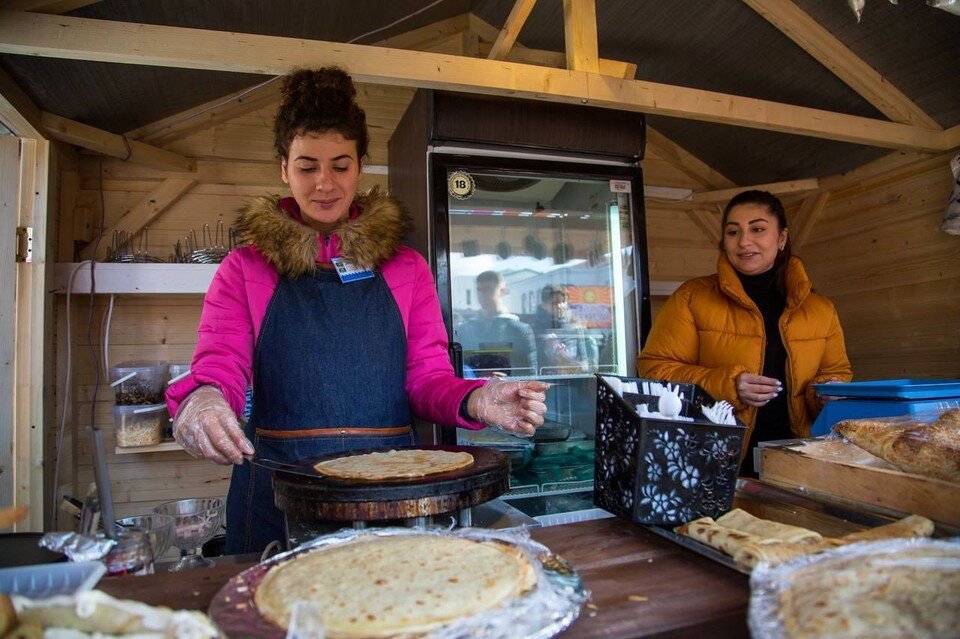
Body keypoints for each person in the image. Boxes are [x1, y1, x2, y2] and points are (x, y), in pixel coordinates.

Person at [165, 67, 549, 554]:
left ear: (361, 166)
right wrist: (203, 398)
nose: (324, 183)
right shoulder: (244, 268)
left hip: (391, 493)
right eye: (307, 167)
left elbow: (426, 379)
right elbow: (221, 362)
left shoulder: (406, 268)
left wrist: (477, 400)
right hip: (279, 493)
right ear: (284, 168)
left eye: (340, 165)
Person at [637, 190, 852, 475]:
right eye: (733, 232)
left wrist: (826, 395)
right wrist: (729, 385)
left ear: (782, 238)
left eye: (758, 229)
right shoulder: (692, 297)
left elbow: (836, 373)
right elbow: (653, 369)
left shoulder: (820, 308)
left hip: (800, 458)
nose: (744, 241)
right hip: (712, 457)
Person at [456, 271, 538, 377]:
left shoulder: (520, 330)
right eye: (479, 289)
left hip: (509, 390)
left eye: (489, 289)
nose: (482, 294)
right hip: (476, 391)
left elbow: (530, 373)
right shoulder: (465, 330)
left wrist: (508, 380)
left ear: (502, 291)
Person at [531, 284, 599, 375]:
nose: (560, 306)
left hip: (573, 381)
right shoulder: (534, 330)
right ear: (544, 305)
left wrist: (564, 356)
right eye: (554, 303)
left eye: (563, 301)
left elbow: (585, 363)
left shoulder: (573, 329)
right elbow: (533, 364)